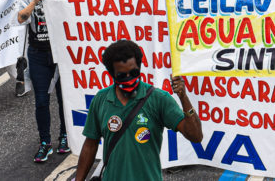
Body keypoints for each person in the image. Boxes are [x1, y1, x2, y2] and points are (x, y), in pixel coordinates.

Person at [75, 39, 202, 181]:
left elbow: (196, 136)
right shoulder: (101, 100)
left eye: (134, 72)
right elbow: (90, 145)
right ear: (112, 74)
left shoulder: (159, 99)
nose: (129, 79)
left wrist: (184, 98)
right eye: (122, 76)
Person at [18, 0, 71, 162]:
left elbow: (77, 15)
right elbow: (20, 18)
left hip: (62, 54)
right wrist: (34, 2)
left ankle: (65, 136)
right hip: (38, 53)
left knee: (64, 98)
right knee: (41, 100)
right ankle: (45, 142)